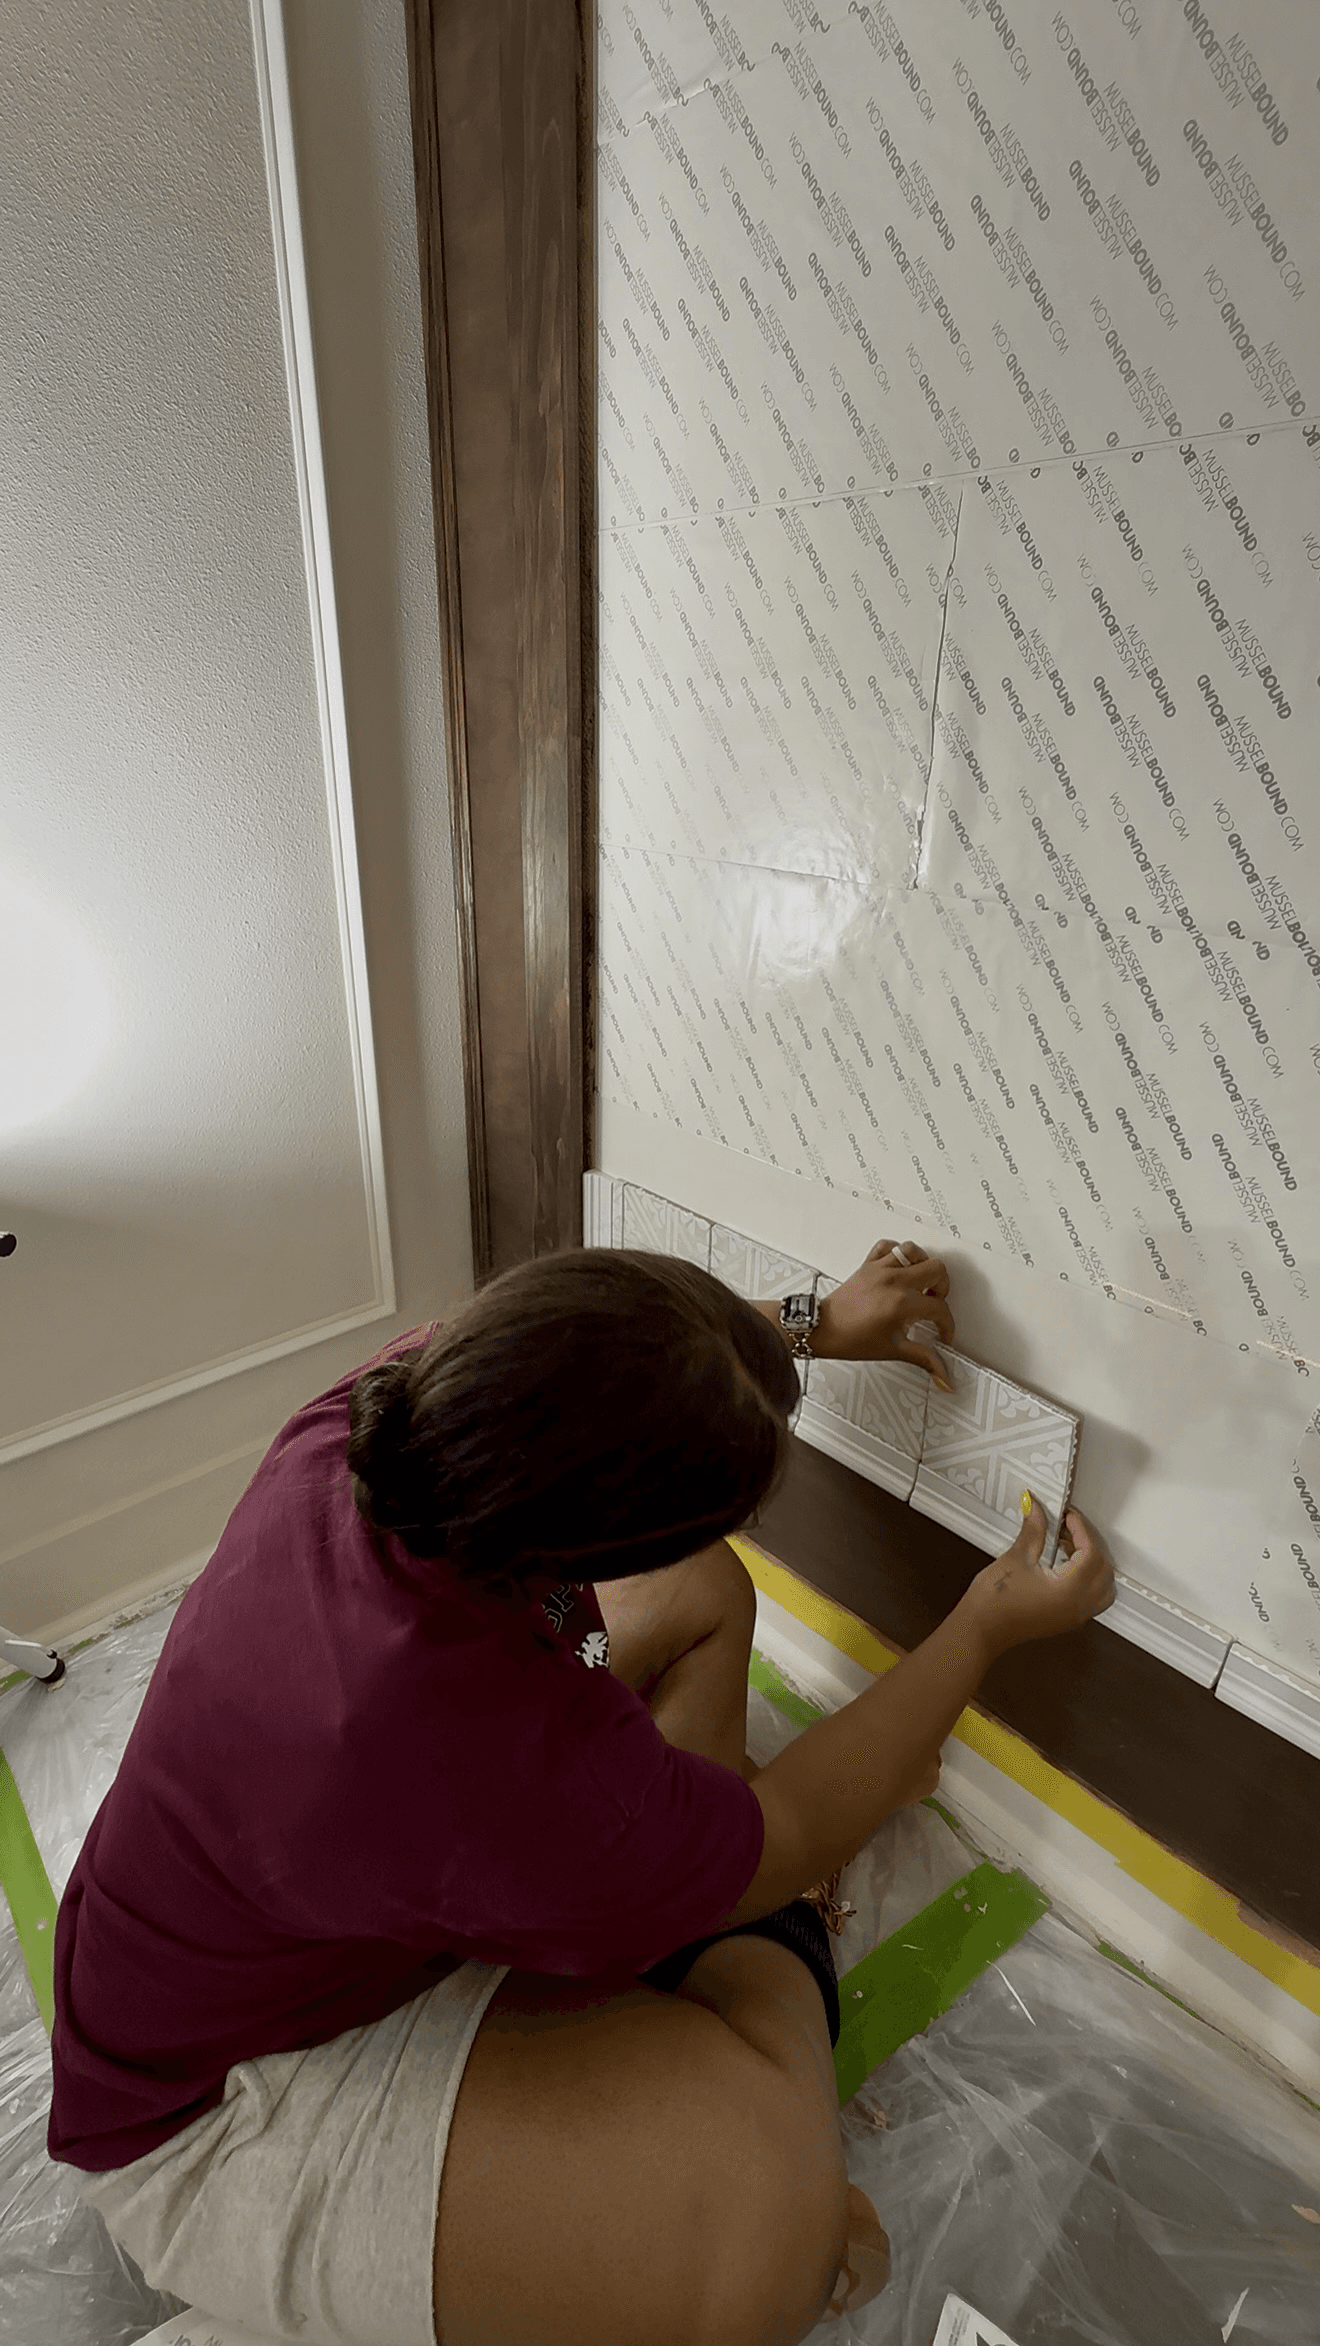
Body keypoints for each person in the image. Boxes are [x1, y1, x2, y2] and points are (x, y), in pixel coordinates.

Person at [50, 1236, 1114, 2346]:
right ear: (596, 1538)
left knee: (700, 1602)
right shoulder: (484, 1764)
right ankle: (748, 1926)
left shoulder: (383, 1423)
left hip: (282, 1927)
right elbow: (788, 1827)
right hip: (214, 2111)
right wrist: (985, 1622)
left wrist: (806, 1327)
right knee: (775, 2247)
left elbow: (602, 1359)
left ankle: (683, 1880)